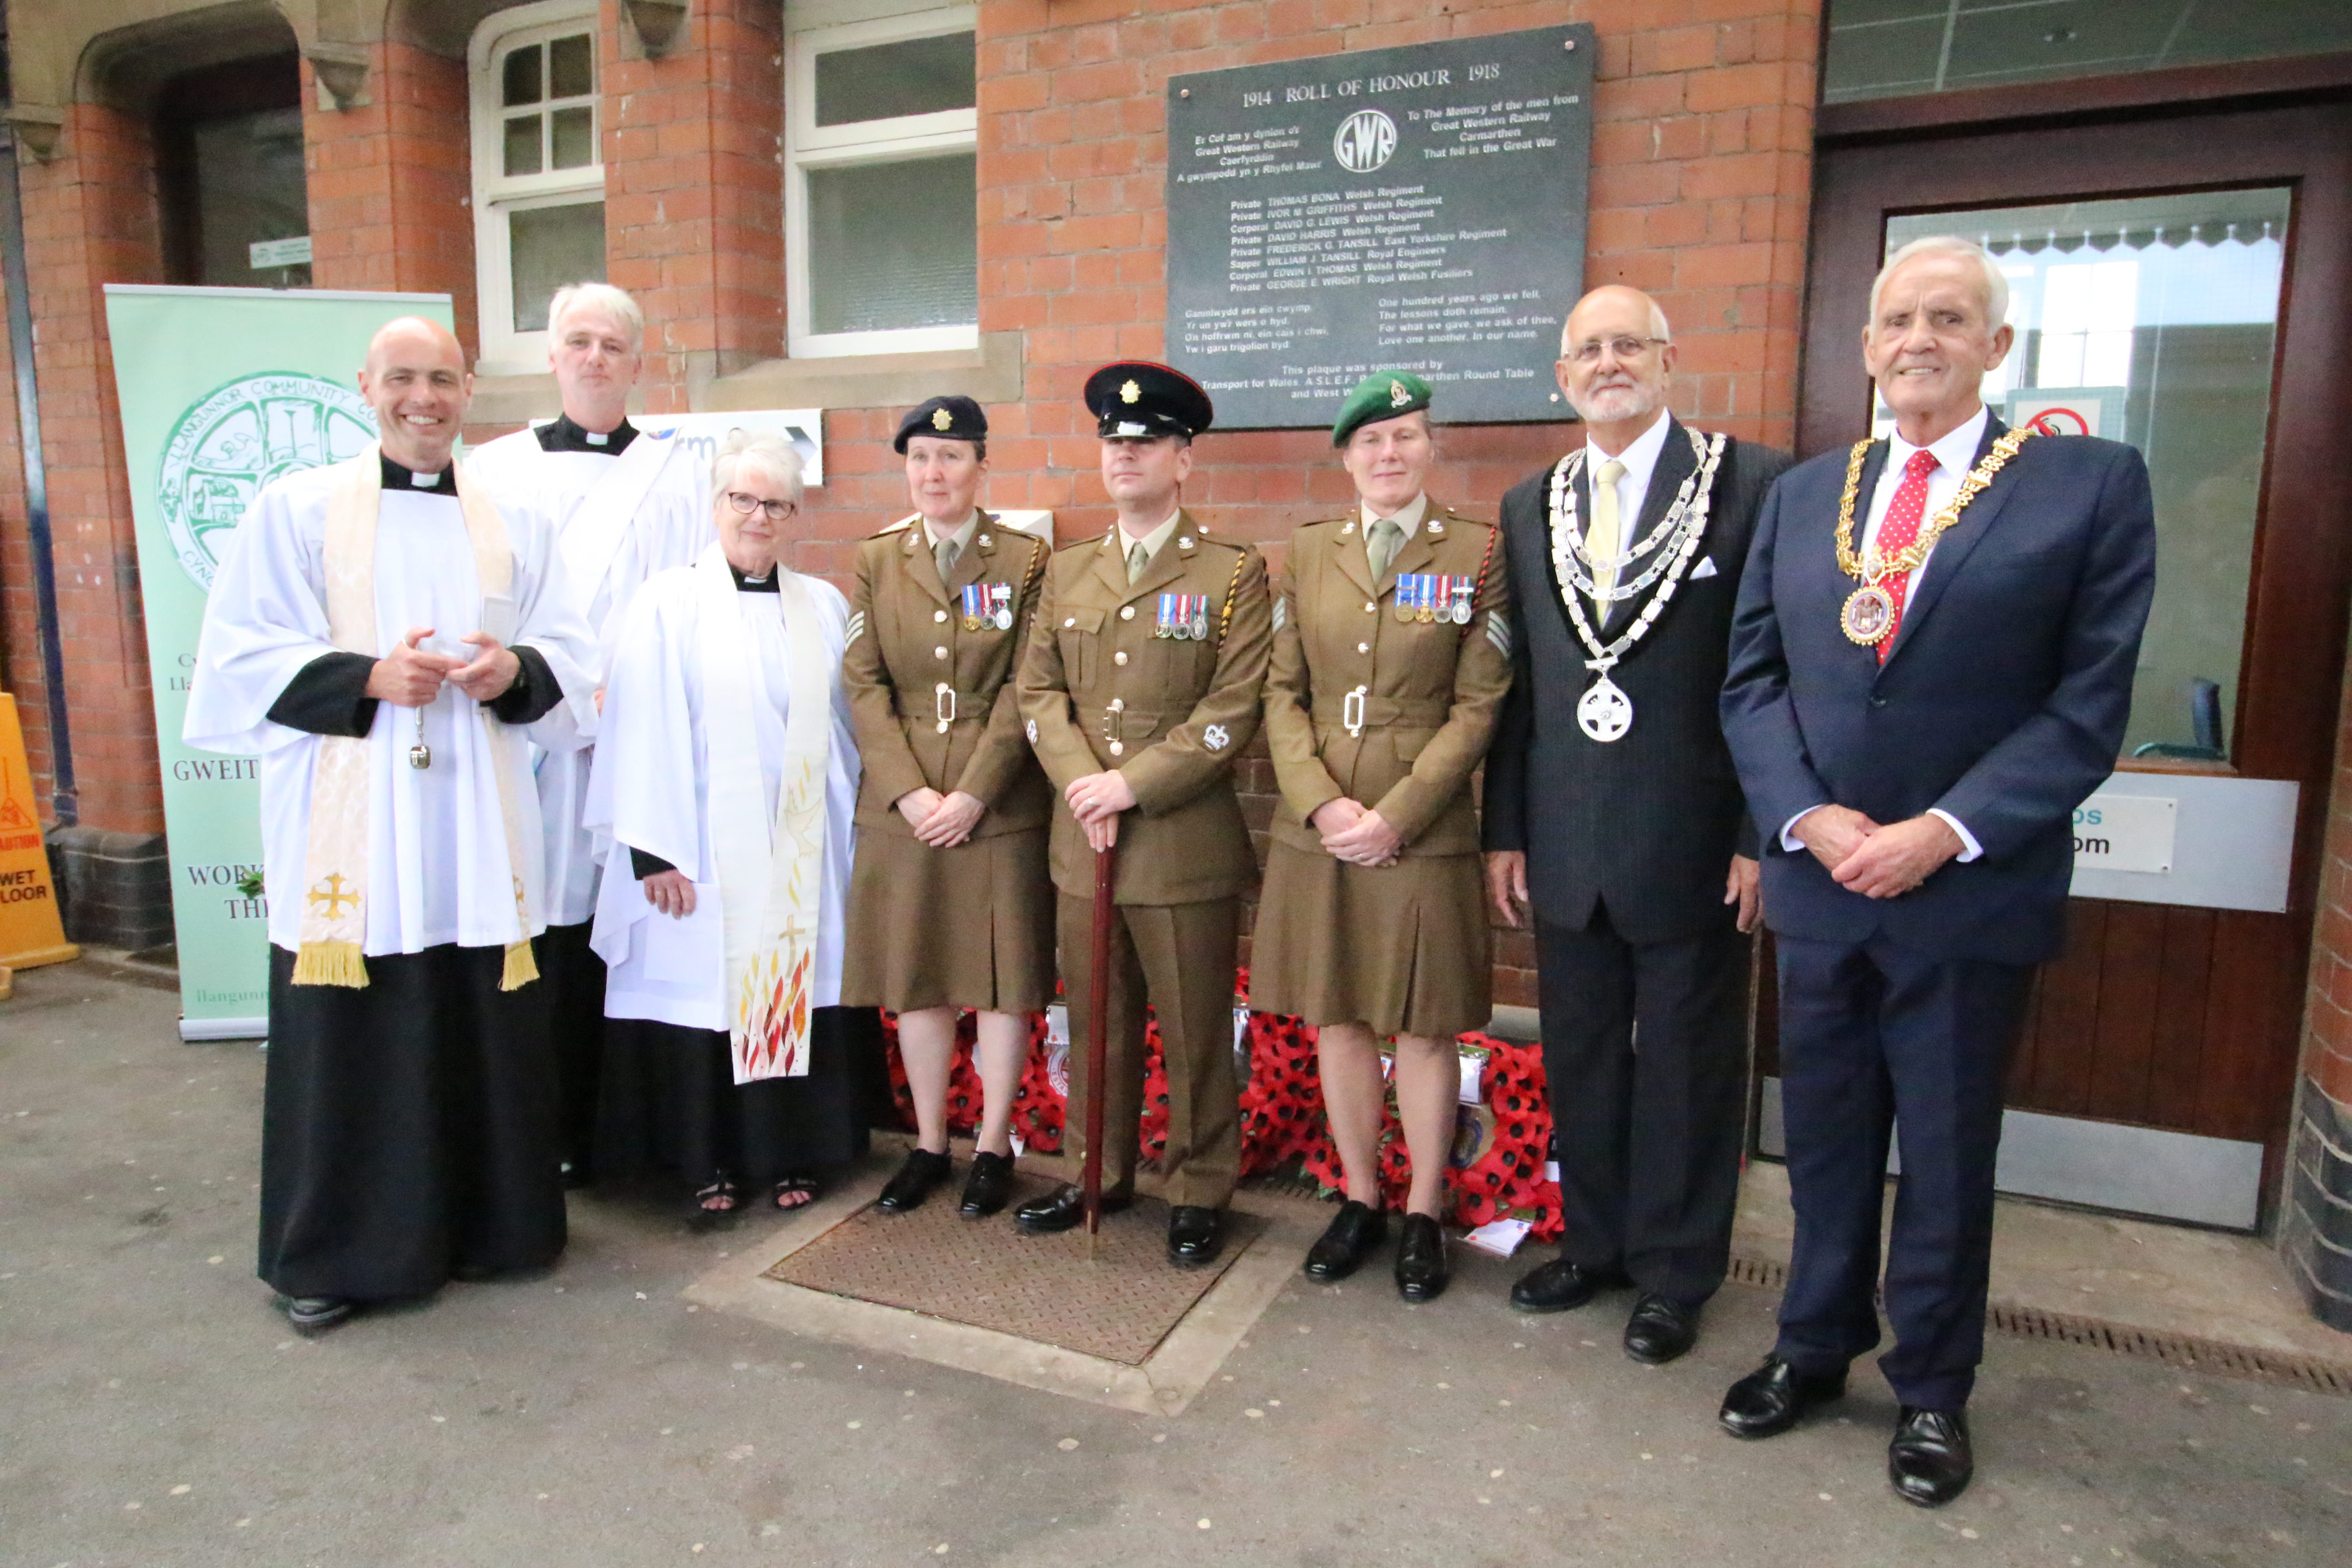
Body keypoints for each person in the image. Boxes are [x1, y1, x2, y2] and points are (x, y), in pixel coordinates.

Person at [1718, 237, 2155, 1506]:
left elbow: (2087, 703)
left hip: (1966, 889)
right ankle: (1812, 1345)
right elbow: (1751, 679)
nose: (1920, 338)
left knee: (1949, 1154)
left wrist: (1944, 830)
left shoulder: (2087, 485)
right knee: (1823, 1136)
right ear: (1866, 347)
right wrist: (1806, 817)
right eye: (1900, 319)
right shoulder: (1806, 494)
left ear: (1995, 346)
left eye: (1950, 318)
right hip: (1822, 884)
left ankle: (1930, 1388)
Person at [184, 316, 596, 1334]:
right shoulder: (297, 509)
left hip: (477, 824)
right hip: (355, 824)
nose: (425, 398)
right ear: (366, 386)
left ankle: (494, 1228)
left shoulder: (516, 518)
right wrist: (368, 676)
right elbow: (238, 652)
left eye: (444, 379)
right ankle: (339, 1254)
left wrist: (514, 671)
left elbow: (573, 652)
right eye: (404, 378)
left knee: (479, 1016)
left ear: (469, 390)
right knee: (356, 1036)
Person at [1483, 285, 1791, 1364]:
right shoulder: (1530, 504)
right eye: (1589, 350)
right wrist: (1505, 829)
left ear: (1666, 361)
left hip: (1694, 840)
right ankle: (1596, 1244)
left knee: (1687, 1066)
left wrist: (1759, 833)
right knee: (1582, 1057)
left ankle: (1675, 1271)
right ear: (1562, 376)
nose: (1608, 363)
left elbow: (1774, 672)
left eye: (1628, 345)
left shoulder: (1752, 483)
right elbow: (1522, 685)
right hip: (1568, 837)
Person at [1250, 371, 1512, 1302]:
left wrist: (1398, 813)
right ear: (1346, 457)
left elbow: (1479, 703)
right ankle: (1360, 1196)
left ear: (1431, 447)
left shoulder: (1478, 551)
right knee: (1339, 1015)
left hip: (1421, 830)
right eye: (1370, 440)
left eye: (1405, 436)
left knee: (1424, 1023)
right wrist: (1321, 804)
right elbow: (1282, 692)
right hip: (1320, 825)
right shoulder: (1309, 550)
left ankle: (1425, 1211)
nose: (1389, 453)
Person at [1012, 362, 1273, 1267]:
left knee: (1194, 1028)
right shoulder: (1068, 569)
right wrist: (1084, 782)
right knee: (1096, 1020)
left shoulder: (1232, 572)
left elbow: (1234, 706)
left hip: (1179, 843)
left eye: (1147, 442)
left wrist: (1131, 785)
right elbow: (1038, 692)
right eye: (1113, 442)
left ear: (1183, 459)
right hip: (1082, 838)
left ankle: (1198, 1188)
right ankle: (1096, 1172)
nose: (1125, 455)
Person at [583, 431, 872, 1220]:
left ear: (795, 515)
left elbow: (849, 728)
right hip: (697, 850)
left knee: (793, 990)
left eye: (776, 503)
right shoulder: (666, 601)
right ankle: (707, 1155)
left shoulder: (822, 604)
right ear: (716, 506)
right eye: (742, 499)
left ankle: (790, 1148)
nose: (758, 516)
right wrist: (654, 853)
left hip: (801, 851)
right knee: (709, 1000)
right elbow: (639, 725)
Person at [467, 282, 714, 1187]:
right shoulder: (494, 468)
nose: (595, 358)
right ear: (551, 355)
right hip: (527, 734)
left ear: (638, 362)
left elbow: (695, 598)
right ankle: (533, 1128)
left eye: (612, 344)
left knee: (622, 931)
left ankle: (614, 1131)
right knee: (537, 926)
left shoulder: (680, 473)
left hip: (635, 735)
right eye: (578, 341)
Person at [841, 396, 1054, 1218]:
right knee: (918, 976)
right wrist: (908, 789)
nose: (934, 473)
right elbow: (863, 683)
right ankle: (930, 1142)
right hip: (903, 806)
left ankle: (994, 1145)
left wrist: (971, 792)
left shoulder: (1027, 561)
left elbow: (1028, 685)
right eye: (921, 458)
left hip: (995, 803)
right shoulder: (877, 558)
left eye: (952, 456)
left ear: (982, 466)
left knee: (1000, 980)